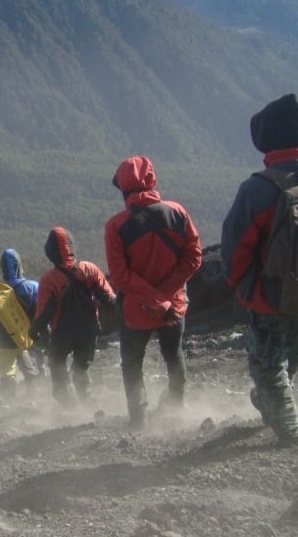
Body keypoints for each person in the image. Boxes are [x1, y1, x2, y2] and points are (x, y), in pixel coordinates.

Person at [220, 93, 298, 446]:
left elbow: (236, 251)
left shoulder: (258, 189)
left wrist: (239, 286)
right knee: (290, 356)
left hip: (271, 296)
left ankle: (292, 434)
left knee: (267, 367)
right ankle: (272, 403)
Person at [104, 155, 203, 430]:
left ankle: (138, 419)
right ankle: (177, 407)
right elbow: (193, 259)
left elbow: (121, 277)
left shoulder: (115, 226)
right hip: (174, 307)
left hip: (136, 312)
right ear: (151, 179)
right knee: (174, 355)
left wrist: (153, 299)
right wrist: (165, 296)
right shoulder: (178, 213)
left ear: (123, 187)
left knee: (132, 364)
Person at [30, 227, 118, 407]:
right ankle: (84, 401)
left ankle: (68, 404)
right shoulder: (89, 269)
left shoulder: (49, 279)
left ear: (50, 251)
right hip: (88, 330)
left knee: (57, 363)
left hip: (62, 332)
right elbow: (110, 299)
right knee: (81, 367)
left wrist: (32, 332)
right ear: (72, 246)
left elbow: (44, 313)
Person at [0, 248, 41, 401]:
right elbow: (41, 310)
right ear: (19, 265)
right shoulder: (32, 287)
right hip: (22, 337)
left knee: (7, 373)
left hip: (3, 341)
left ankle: (8, 403)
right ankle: (34, 400)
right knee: (29, 369)